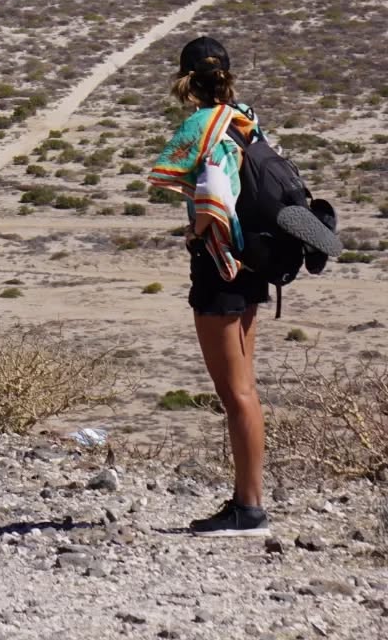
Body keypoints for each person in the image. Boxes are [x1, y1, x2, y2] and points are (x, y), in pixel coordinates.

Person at [149, 36, 271, 536]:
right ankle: (248, 500)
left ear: (184, 81)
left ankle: (248, 506)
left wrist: (195, 230)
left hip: (219, 266)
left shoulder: (201, 126)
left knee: (234, 392)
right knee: (246, 388)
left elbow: (211, 195)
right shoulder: (245, 119)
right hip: (252, 263)